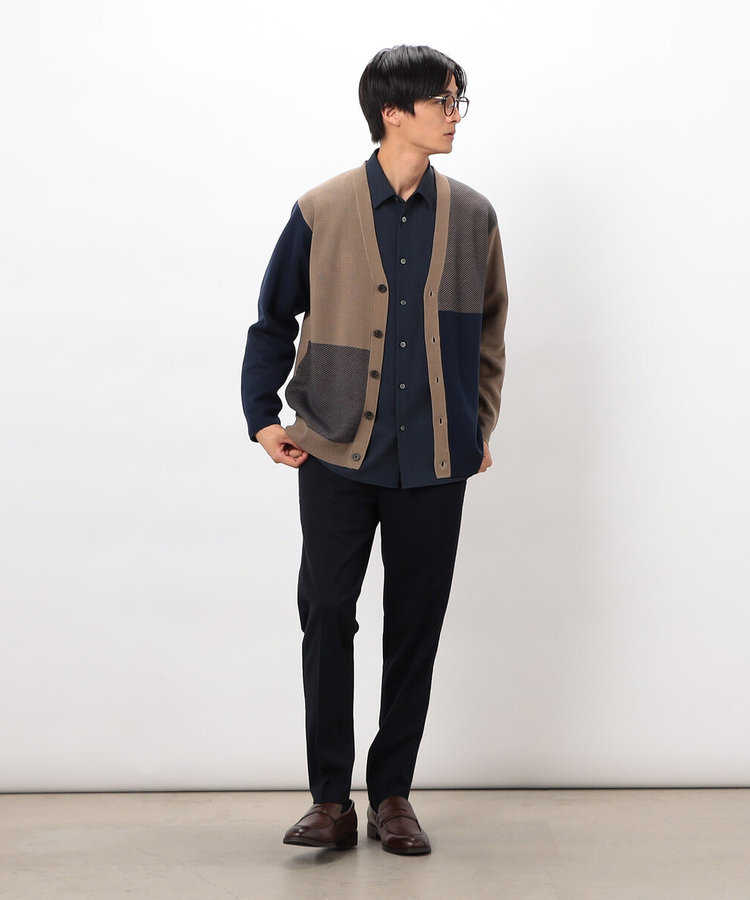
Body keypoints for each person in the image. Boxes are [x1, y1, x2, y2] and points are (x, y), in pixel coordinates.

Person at [241, 44, 508, 856]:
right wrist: (262, 416)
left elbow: (489, 331)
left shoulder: (472, 216)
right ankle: (331, 800)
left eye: (459, 101)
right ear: (394, 112)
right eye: (443, 102)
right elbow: (272, 320)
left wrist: (476, 424)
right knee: (327, 614)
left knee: (415, 624)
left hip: (434, 460)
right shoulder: (321, 208)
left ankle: (393, 794)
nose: (455, 116)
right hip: (333, 452)